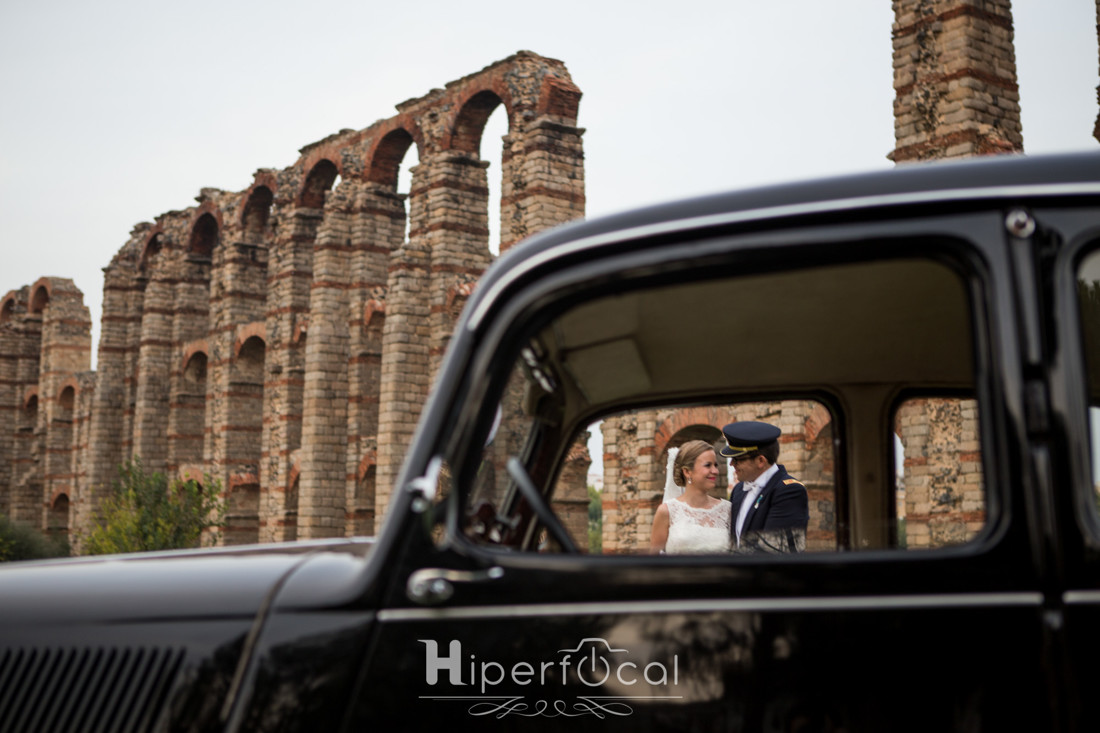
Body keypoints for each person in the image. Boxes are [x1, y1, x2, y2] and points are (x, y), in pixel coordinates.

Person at [721, 421, 808, 553]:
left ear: (761, 461)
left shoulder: (789, 491)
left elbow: (774, 549)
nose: (732, 464)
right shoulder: (739, 490)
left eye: (738, 459)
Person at [650, 440, 731, 553]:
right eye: (708, 465)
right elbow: (653, 561)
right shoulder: (666, 511)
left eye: (715, 465)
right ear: (687, 472)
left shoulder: (727, 510)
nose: (715, 471)